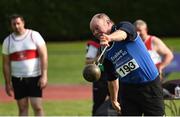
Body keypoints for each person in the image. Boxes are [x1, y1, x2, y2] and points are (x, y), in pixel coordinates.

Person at [89, 13, 165, 116]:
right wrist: (114, 99)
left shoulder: (124, 26)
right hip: (127, 90)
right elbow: (112, 78)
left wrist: (109, 38)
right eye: (93, 30)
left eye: (97, 28)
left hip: (150, 85)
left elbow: (123, 34)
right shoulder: (103, 50)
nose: (95, 32)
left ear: (108, 23)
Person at [2, 14, 48, 116]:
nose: (16, 26)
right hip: (18, 79)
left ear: (23, 23)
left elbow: (43, 55)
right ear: (11, 26)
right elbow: (5, 64)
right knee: (22, 108)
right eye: (14, 24)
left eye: (18, 23)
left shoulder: (34, 35)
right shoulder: (7, 41)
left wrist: (44, 75)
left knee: (37, 107)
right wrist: (8, 83)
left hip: (34, 77)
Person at [85, 38, 109, 115]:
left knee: (119, 102)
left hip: (115, 76)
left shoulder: (115, 40)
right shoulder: (94, 44)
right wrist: (99, 57)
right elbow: (87, 61)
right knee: (98, 103)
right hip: (100, 78)